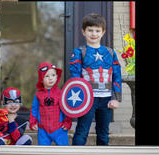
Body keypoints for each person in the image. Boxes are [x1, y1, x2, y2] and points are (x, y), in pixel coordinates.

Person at [70, 13, 122, 146]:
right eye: (90, 30)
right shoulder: (79, 52)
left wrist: (115, 98)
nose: (94, 33)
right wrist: (79, 97)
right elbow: (75, 76)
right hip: (87, 98)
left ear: (103, 32)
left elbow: (116, 75)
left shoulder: (110, 53)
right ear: (83, 31)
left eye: (97, 30)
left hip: (106, 98)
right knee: (82, 131)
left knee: (103, 133)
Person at [29, 62, 72, 146]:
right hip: (43, 129)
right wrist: (32, 122)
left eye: (53, 75)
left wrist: (67, 122)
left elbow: (67, 109)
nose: (50, 78)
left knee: (64, 151)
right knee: (43, 152)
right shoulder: (38, 95)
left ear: (57, 77)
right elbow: (34, 109)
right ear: (41, 79)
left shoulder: (61, 93)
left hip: (59, 129)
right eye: (47, 76)